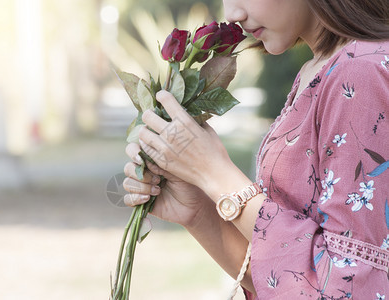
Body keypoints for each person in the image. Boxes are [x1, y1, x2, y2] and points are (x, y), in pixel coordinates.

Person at [122, 0, 389, 298]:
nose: (232, 14)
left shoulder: (359, 72)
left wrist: (216, 174)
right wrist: (196, 209)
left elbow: (349, 286)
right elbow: (287, 280)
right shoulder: (322, 68)